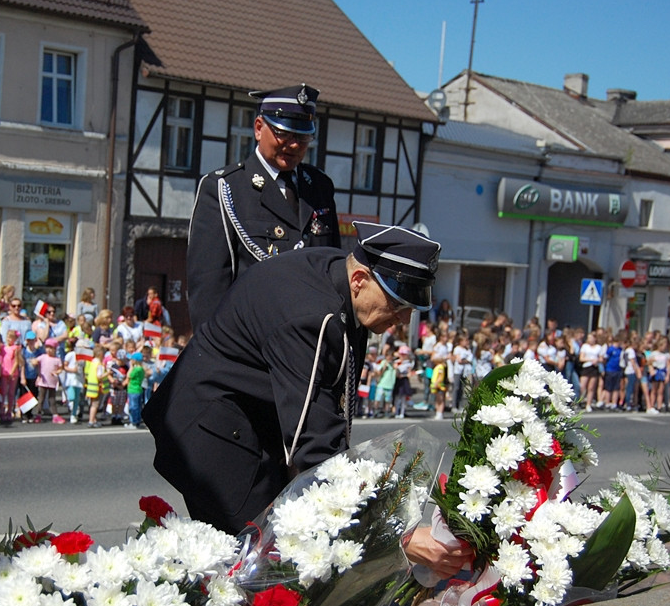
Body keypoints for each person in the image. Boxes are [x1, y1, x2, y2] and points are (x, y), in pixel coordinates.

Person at [146, 222, 469, 576]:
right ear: (360, 279)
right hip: (212, 431)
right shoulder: (313, 318)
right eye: (397, 302)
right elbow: (314, 445)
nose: (404, 317)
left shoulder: (341, 278)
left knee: (282, 551)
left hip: (249, 420)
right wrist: (396, 534)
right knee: (258, 564)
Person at [186, 84, 339, 329]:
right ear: (259, 128)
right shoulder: (226, 187)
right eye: (284, 134)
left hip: (307, 343)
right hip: (250, 343)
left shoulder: (320, 188)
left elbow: (333, 269)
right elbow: (208, 288)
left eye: (302, 136)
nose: (293, 145)